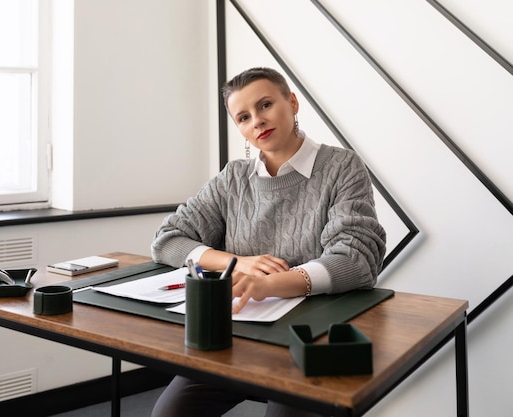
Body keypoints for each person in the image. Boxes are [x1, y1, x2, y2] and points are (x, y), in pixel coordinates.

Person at [150, 67, 386, 417]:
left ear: (292, 103)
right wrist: (238, 262)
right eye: (244, 117)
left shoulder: (342, 166)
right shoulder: (234, 177)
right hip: (238, 335)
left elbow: (356, 259)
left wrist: (268, 284)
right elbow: (167, 240)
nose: (257, 121)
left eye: (265, 105)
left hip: (312, 337)